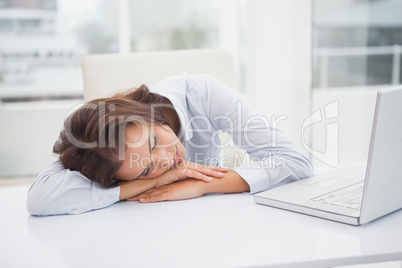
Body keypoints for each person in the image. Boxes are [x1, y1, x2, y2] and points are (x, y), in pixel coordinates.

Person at [27, 73, 314, 216]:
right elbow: (40, 199)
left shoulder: (202, 93)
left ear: (143, 112)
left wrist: (203, 184)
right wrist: (153, 183)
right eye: (145, 169)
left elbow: (295, 162)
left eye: (152, 141)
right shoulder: (96, 150)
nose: (166, 159)